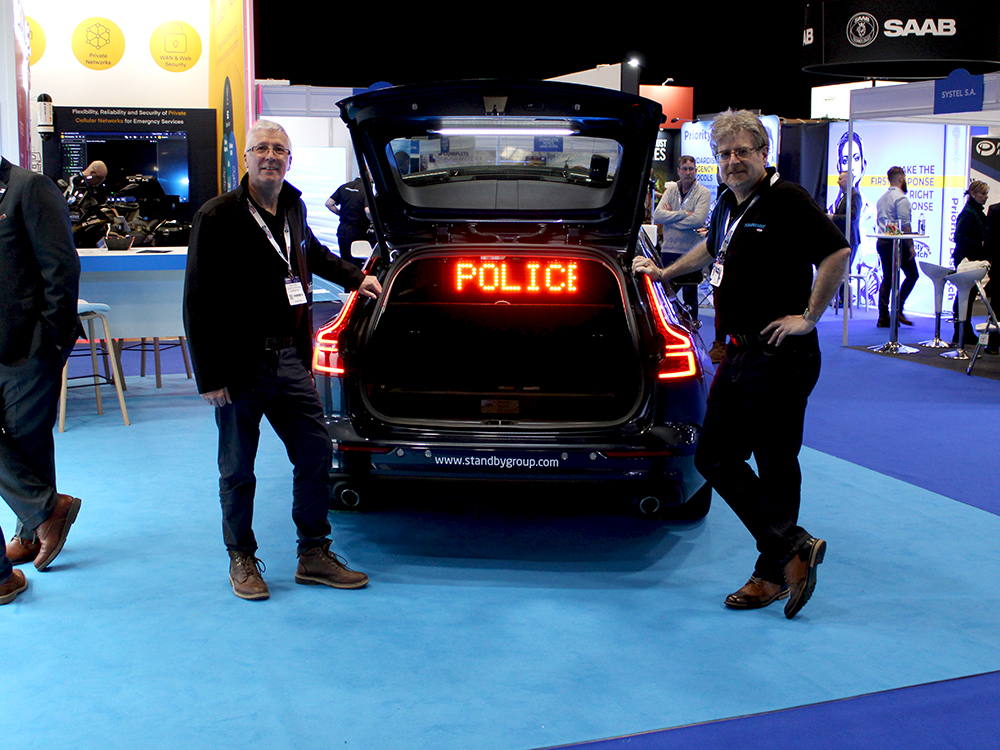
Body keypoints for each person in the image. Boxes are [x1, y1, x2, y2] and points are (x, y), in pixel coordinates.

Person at [632, 109, 849, 619]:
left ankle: (771, 574)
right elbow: (712, 249)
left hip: (782, 354)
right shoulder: (729, 203)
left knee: (774, 463)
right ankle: (792, 544)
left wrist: (808, 317)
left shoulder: (788, 200)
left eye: (741, 153)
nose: (732, 162)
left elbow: (836, 254)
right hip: (735, 352)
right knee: (713, 456)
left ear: (763, 154)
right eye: (724, 154)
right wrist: (664, 272)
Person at [183, 120, 383, 601]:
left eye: (279, 150)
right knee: (238, 469)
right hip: (238, 367)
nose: (270, 156)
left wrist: (357, 278)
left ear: (288, 161)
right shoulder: (217, 215)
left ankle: (313, 553)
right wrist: (209, 375)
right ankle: (242, 558)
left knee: (316, 453)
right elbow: (197, 300)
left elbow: (310, 254)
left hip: (290, 361)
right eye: (261, 149)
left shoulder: (292, 206)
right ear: (245, 158)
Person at [1, 156, 83, 604]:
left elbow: (61, 269)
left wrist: (50, 345)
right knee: (19, 443)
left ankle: (33, 528)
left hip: (27, 349)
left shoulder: (28, 188)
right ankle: (46, 513)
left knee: (27, 438)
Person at [654, 156, 711, 320]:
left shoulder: (703, 193)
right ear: (679, 171)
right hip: (668, 250)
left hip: (691, 252)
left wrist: (671, 219)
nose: (688, 172)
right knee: (663, 294)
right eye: (684, 169)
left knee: (690, 298)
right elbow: (658, 215)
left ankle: (691, 327)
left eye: (691, 169)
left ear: (695, 171)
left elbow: (698, 220)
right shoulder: (670, 191)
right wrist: (684, 214)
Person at [875, 167, 919, 328]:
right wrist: (911, 245)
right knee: (912, 274)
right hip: (896, 243)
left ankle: (883, 315)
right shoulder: (901, 199)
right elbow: (905, 225)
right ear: (901, 178)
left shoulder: (882, 198)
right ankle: (898, 308)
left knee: (888, 278)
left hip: (882, 241)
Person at [952, 180, 990, 343]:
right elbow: (958, 237)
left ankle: (963, 330)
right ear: (973, 194)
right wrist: (979, 244)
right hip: (966, 260)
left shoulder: (977, 212)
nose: (986, 197)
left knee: (968, 294)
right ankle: (961, 330)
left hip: (972, 259)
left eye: (987, 194)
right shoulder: (968, 213)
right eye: (983, 194)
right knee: (965, 295)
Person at [829, 170, 862, 306]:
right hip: (843, 237)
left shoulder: (855, 196)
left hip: (851, 238)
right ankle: (842, 298)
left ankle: (845, 299)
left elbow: (853, 217)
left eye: (840, 178)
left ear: (848, 180)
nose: (838, 181)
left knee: (845, 270)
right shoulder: (844, 196)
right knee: (842, 269)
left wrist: (833, 218)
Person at [325, 176, 371, 269]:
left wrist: (341, 214)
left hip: (342, 231)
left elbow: (329, 203)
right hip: (357, 233)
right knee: (355, 266)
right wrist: (372, 221)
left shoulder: (344, 186)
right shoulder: (366, 189)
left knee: (344, 264)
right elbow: (368, 210)